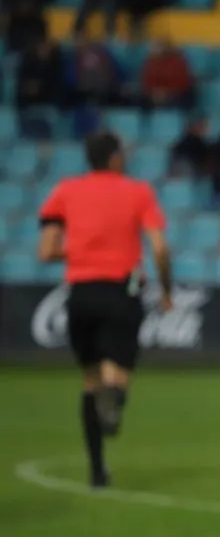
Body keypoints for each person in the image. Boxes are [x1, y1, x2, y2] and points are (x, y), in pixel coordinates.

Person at [37, 131, 172, 489]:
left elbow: (46, 250)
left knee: (90, 381)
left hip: (80, 293)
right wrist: (168, 291)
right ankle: (116, 400)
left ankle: (97, 471)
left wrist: (83, 250)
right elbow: (159, 248)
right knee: (117, 375)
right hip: (122, 288)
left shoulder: (64, 191)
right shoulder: (138, 191)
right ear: (114, 158)